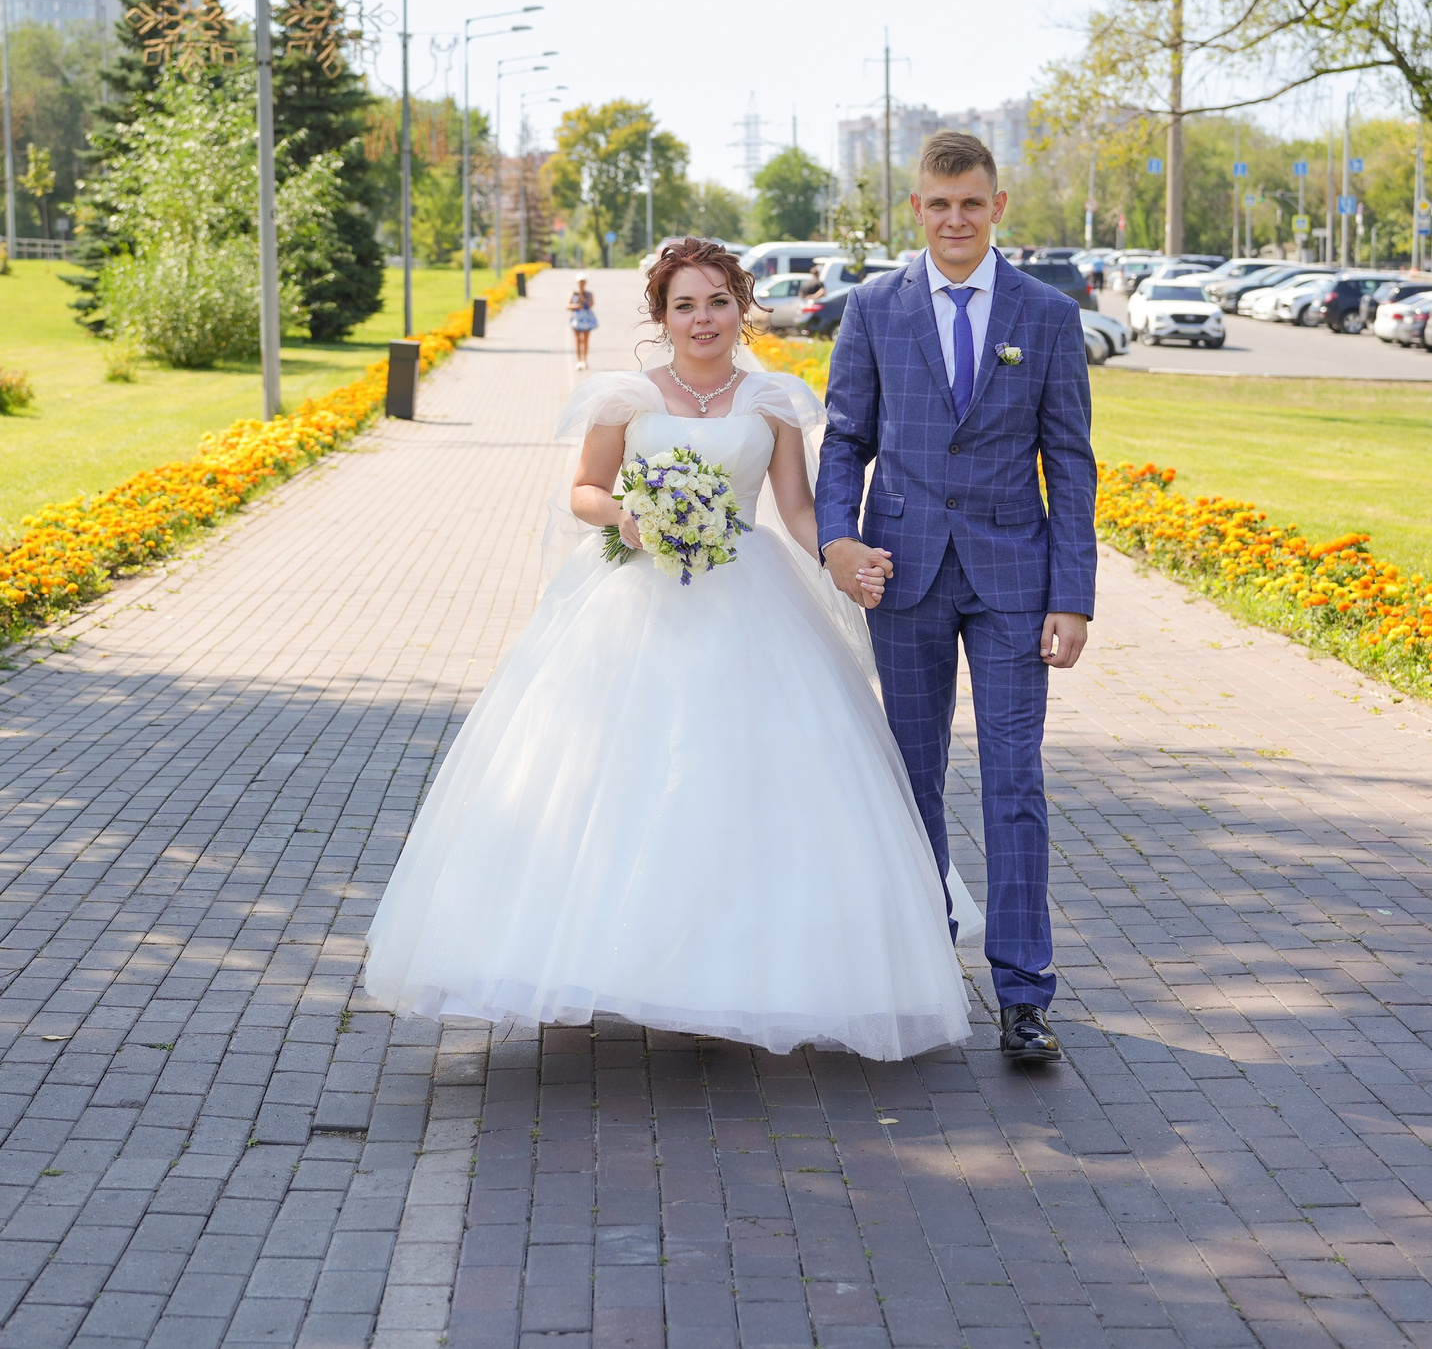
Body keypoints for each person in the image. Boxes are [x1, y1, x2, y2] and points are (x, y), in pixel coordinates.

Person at [362, 239, 978, 1060]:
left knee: (747, 784)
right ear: (661, 316)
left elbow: (795, 510)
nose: (703, 319)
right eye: (685, 305)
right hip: (635, 597)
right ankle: (612, 961)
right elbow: (584, 488)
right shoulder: (624, 396)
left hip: (750, 601)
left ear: (741, 308)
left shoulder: (772, 401)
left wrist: (844, 553)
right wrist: (627, 517)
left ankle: (733, 972)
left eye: (718, 301)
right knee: (615, 774)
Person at [817, 130, 1096, 1065]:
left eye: (971, 203)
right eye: (938, 204)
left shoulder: (1048, 315)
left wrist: (1075, 595)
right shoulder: (873, 309)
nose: (955, 220)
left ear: (997, 207)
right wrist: (836, 539)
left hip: (1016, 580)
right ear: (916, 210)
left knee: (1016, 781)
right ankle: (925, 969)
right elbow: (844, 440)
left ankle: (1024, 995)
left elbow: (1070, 463)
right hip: (904, 575)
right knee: (912, 779)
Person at [566, 276, 598, 369]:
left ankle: (585, 360)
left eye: (583, 282)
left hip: (586, 318)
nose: (581, 284)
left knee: (585, 340)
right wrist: (577, 305)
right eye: (580, 282)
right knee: (577, 340)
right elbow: (568, 305)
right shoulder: (574, 293)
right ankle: (579, 360)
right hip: (576, 318)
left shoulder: (588, 294)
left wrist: (583, 299)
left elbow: (591, 304)